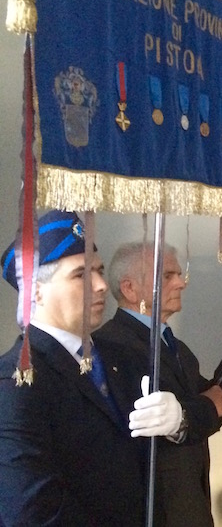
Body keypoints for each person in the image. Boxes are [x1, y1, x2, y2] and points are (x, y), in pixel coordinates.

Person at [93, 241, 222, 527]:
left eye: (179, 274)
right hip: (154, 511)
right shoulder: (110, 347)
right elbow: (201, 409)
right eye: (167, 276)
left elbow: (211, 406)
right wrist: (207, 406)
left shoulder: (177, 348)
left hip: (188, 505)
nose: (181, 283)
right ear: (130, 288)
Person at [0, 210, 147, 525]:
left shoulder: (119, 358)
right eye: (81, 274)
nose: (101, 285)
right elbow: (31, 512)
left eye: (100, 270)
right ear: (35, 291)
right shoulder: (17, 380)